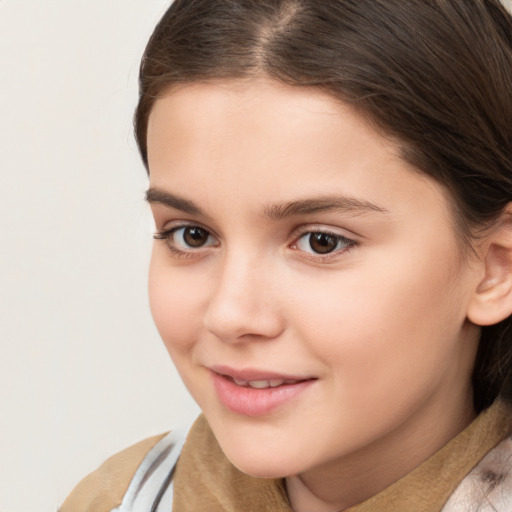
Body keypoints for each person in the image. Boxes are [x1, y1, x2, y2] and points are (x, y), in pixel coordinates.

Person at [60, 0, 512, 510]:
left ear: (497, 268)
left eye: (322, 241)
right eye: (191, 235)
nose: (231, 315)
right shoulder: (117, 499)